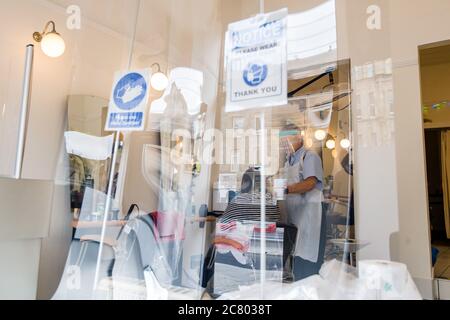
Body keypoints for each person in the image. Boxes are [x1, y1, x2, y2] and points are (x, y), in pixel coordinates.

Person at [280, 123, 325, 281]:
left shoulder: (309, 156)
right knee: (295, 257)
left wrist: (285, 190)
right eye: (282, 139)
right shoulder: (288, 161)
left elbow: (310, 183)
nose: (284, 142)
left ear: (299, 137)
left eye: (287, 138)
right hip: (295, 216)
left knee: (307, 259)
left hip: (309, 216)